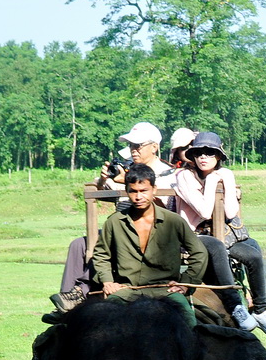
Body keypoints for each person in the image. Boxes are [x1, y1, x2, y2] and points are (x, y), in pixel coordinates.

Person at [54, 122, 178, 312]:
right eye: (130, 146)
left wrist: (127, 182)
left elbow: (166, 209)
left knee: (111, 246)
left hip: (152, 233)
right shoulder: (126, 170)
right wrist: (105, 179)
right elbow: (98, 190)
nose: (133, 150)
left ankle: (82, 290)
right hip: (121, 229)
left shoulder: (169, 175)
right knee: (79, 244)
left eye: (138, 146)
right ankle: (67, 302)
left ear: (155, 147)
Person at [172, 131, 266, 339]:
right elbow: (204, 212)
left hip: (221, 233)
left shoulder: (224, 174)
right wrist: (214, 183)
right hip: (192, 235)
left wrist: (227, 180)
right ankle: (235, 307)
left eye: (210, 153)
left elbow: (231, 213)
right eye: (199, 153)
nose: (203, 157)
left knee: (253, 255)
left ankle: (261, 310)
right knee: (216, 248)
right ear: (193, 157)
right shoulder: (185, 176)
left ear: (219, 157)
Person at [91, 164, 206, 326]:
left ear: (154, 190)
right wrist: (108, 281)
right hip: (126, 291)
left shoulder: (173, 221)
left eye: (143, 190)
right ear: (127, 192)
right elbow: (102, 254)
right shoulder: (114, 222)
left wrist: (186, 283)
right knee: (103, 324)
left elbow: (199, 253)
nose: (138, 197)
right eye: (133, 191)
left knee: (188, 323)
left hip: (165, 290)